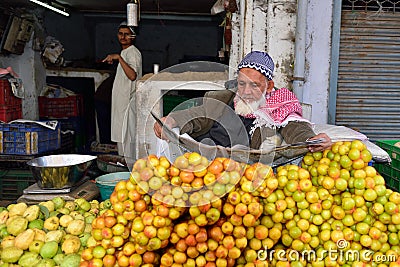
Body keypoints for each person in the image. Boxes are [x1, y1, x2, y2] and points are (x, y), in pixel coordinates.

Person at [153, 51, 331, 160]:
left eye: (254, 85)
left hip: (242, 171)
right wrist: (171, 120)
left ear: (268, 86)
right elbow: (198, 115)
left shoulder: (279, 106)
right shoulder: (224, 99)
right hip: (204, 161)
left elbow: (295, 127)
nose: (246, 91)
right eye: (241, 83)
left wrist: (312, 140)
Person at [103, 21, 142, 156]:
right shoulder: (125, 52)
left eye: (127, 34)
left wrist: (119, 58)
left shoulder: (133, 53)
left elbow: (132, 75)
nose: (123, 37)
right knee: (123, 141)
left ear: (133, 37)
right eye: (121, 34)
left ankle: (127, 170)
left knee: (127, 142)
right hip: (122, 104)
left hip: (127, 104)